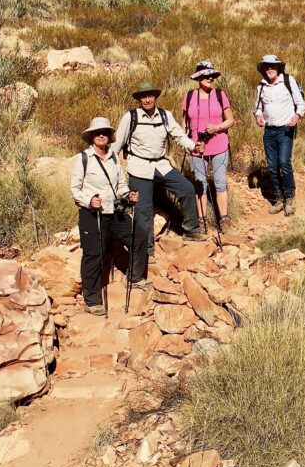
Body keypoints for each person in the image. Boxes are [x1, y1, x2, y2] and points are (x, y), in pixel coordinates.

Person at [115, 82, 206, 262]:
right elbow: (117, 143)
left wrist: (193, 147)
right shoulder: (130, 117)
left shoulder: (165, 115)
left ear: (155, 97)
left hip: (161, 165)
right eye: (143, 97)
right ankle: (146, 249)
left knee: (187, 189)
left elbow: (178, 135)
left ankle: (191, 230)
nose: (147, 100)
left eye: (150, 96)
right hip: (139, 167)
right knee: (143, 208)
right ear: (139, 99)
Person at [70, 116, 150, 316]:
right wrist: (89, 200)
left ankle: (135, 276)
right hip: (92, 213)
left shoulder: (114, 157)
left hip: (115, 211)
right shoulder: (83, 159)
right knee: (94, 254)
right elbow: (75, 190)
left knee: (139, 236)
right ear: (91, 137)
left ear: (109, 136)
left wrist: (127, 194)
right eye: (97, 133)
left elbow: (121, 184)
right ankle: (92, 300)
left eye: (105, 132)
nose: (101, 135)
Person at [182, 61, 235, 227]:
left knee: (220, 182)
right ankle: (202, 220)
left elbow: (231, 120)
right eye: (205, 75)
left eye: (211, 75)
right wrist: (187, 143)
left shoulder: (220, 94)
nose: (209, 78)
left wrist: (217, 128)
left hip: (219, 145)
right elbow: (185, 123)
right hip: (197, 147)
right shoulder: (189, 96)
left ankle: (224, 219)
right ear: (199, 77)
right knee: (200, 183)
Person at [253, 54, 305, 216]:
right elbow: (257, 107)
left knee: (284, 163)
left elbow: (300, 103)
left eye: (272, 65)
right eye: (266, 66)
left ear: (278, 67)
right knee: (272, 166)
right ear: (263, 69)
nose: (270, 68)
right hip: (269, 131)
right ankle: (278, 199)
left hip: (285, 129)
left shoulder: (289, 82)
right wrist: (258, 116)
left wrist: (297, 116)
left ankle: (289, 198)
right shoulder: (261, 87)